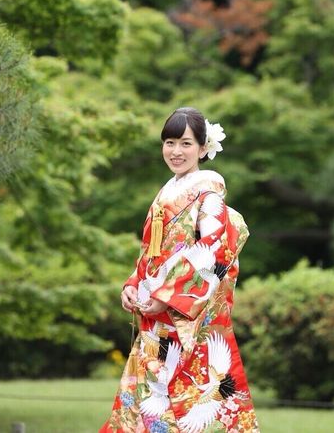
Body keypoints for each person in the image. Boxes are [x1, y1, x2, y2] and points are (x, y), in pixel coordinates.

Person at [100, 107, 260, 433]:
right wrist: (133, 284)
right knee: (147, 399)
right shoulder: (167, 191)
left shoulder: (208, 194)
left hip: (184, 317)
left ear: (202, 148)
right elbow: (151, 251)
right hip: (156, 314)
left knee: (190, 399)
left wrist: (167, 295)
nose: (176, 151)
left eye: (186, 143)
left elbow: (213, 250)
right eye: (169, 142)